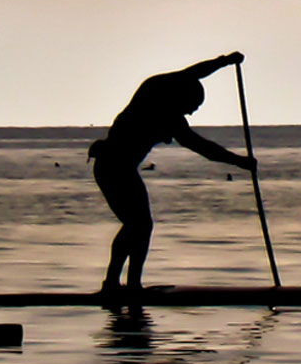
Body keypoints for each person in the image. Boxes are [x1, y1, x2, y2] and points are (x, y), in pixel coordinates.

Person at [89, 52, 256, 295]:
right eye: (192, 108)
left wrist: (240, 162)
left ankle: (127, 284)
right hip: (111, 166)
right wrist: (225, 61)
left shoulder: (174, 120)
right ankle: (118, 285)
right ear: (183, 96)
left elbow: (205, 149)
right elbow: (194, 72)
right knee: (138, 224)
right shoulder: (154, 91)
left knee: (139, 225)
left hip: (122, 169)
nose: (191, 114)